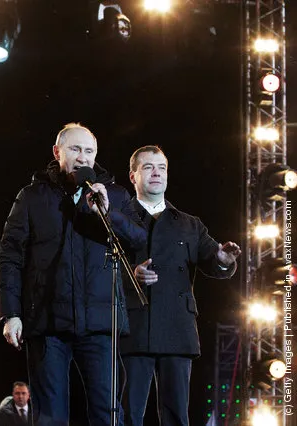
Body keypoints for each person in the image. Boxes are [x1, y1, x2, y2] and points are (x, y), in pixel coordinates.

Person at [0, 123, 147, 426]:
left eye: (89, 151)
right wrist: (10, 313)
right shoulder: (32, 197)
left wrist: (108, 213)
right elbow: (10, 255)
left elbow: (139, 239)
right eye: (75, 149)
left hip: (101, 323)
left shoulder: (114, 195)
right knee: (50, 416)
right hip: (47, 322)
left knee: (108, 413)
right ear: (57, 152)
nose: (83, 157)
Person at [120, 146, 241, 426]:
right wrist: (131, 276)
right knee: (127, 414)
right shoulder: (118, 218)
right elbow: (100, 270)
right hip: (132, 329)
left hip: (176, 328)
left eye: (161, 168)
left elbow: (215, 262)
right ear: (133, 175)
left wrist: (223, 258)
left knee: (176, 415)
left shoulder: (189, 224)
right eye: (148, 167)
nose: (156, 173)